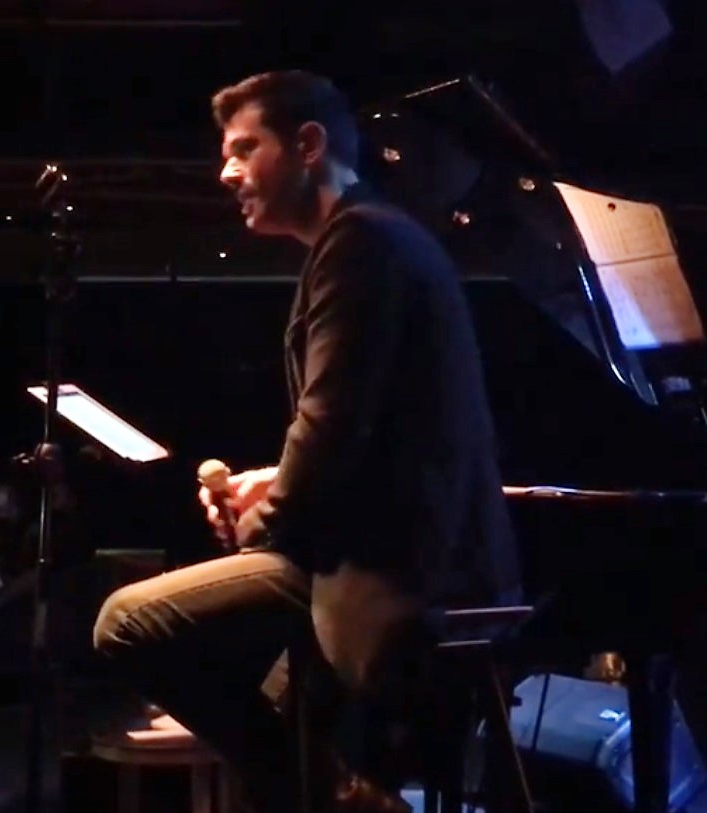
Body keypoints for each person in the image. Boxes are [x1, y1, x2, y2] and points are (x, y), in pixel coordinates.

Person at [92, 70, 522, 813]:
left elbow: (329, 433)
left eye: (243, 148)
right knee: (267, 698)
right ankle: (328, 786)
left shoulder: (360, 244)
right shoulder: (374, 237)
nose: (225, 173)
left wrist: (258, 519)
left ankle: (341, 795)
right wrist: (273, 480)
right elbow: (361, 430)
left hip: (401, 568)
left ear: (308, 145)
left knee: (127, 623)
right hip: (403, 549)